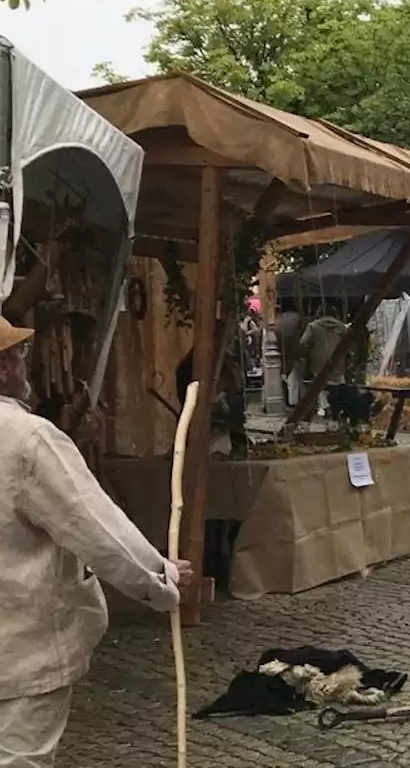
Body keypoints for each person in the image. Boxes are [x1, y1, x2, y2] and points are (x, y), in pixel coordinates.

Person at [0, 318, 195, 764]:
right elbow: (97, 529)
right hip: (20, 651)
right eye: (17, 355)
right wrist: (160, 577)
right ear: (3, 369)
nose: (22, 364)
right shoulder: (26, 438)